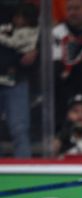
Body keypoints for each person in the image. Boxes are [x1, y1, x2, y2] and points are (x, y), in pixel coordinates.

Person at [0, 1, 38, 158]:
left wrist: (37, 50)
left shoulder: (22, 10)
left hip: (15, 80)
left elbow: (39, 41)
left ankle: (25, 169)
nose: (19, 20)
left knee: (19, 128)